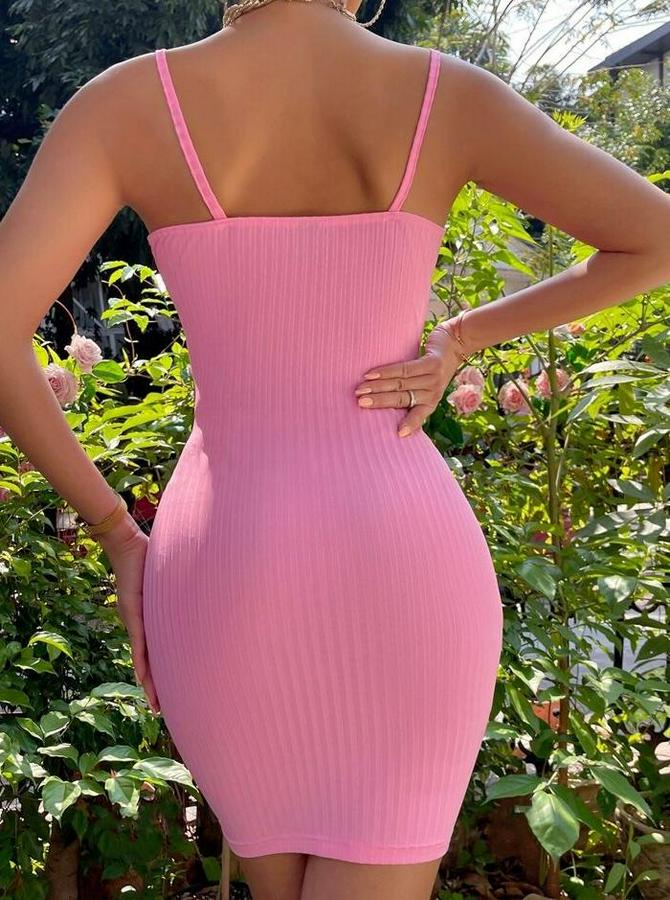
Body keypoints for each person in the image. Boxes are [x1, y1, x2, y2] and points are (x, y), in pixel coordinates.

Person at [1, 1, 670, 898]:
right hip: (404, 565)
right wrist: (462, 338)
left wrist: (118, 533)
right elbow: (655, 236)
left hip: (223, 566)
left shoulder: (124, 105)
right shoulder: (444, 95)